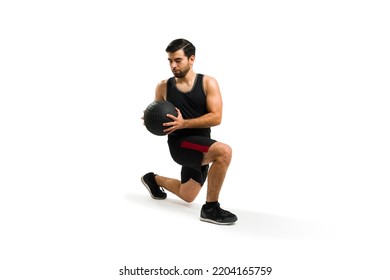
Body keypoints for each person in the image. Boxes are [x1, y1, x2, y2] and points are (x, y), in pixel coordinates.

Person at [141, 38, 237, 225]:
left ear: (191, 59)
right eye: (170, 61)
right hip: (181, 144)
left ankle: (153, 179)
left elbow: (216, 117)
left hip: (201, 144)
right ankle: (210, 208)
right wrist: (150, 120)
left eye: (178, 60)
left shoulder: (208, 83)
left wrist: (184, 123)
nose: (173, 65)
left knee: (188, 194)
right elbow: (158, 118)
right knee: (224, 152)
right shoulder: (163, 87)